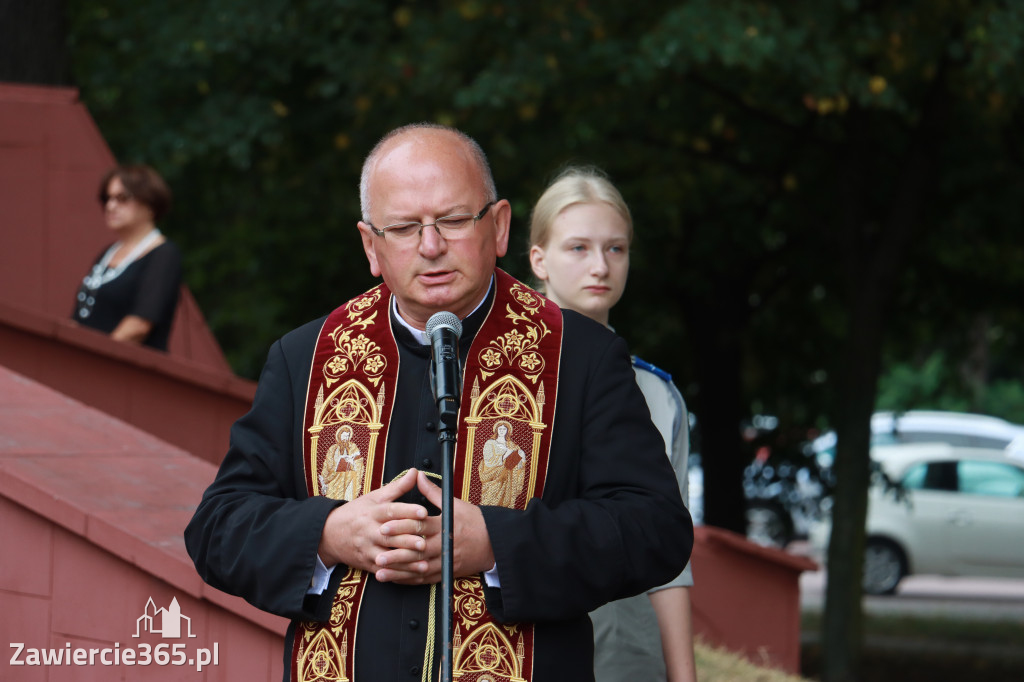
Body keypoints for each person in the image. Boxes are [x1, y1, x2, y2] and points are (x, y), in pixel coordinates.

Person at [184, 124, 693, 682]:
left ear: (498, 227)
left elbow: (656, 529)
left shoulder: (581, 355)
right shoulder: (306, 356)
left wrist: (497, 545)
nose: (430, 246)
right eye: (403, 227)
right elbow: (217, 529)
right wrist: (330, 535)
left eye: (452, 220)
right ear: (370, 246)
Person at [528, 166, 697, 682]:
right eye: (578, 248)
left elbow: (671, 553)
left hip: (626, 658)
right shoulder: (490, 382)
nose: (600, 265)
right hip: (518, 650)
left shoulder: (658, 396)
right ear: (540, 259)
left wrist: (683, 675)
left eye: (615, 248)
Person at [71, 164, 181, 350]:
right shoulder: (107, 254)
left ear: (150, 203)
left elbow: (139, 325)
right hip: (85, 366)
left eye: (122, 198)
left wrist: (96, 357)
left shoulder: (164, 255)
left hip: (124, 371)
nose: (111, 206)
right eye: (107, 198)